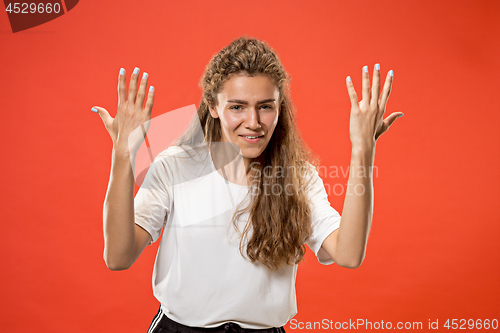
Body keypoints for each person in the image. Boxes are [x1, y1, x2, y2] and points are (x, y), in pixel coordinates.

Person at [91, 36, 403, 333]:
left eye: (265, 106)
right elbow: (118, 257)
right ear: (214, 107)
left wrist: (363, 148)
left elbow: (348, 254)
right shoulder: (176, 165)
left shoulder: (300, 177)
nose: (253, 121)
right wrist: (123, 155)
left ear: (280, 108)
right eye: (237, 107)